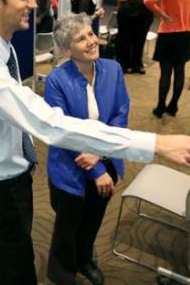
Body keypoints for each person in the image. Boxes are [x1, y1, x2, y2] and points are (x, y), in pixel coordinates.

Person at [0, 0, 190, 285]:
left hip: (15, 181)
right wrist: (155, 143)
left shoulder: (3, 50)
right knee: (15, 272)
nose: (33, 3)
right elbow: (51, 124)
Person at [45, 14, 127, 285]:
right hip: (70, 167)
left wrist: (101, 156)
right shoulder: (56, 81)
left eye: (91, 34)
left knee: (93, 219)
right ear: (67, 50)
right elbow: (64, 132)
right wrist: (96, 169)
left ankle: (84, 259)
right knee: (67, 227)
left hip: (106, 159)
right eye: (81, 39)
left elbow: (120, 114)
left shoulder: (113, 69)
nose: (91, 41)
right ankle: (62, 273)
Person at [115, 0, 158, 74]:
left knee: (139, 40)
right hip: (126, 15)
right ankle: (125, 64)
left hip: (145, 16)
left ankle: (137, 64)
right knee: (125, 40)